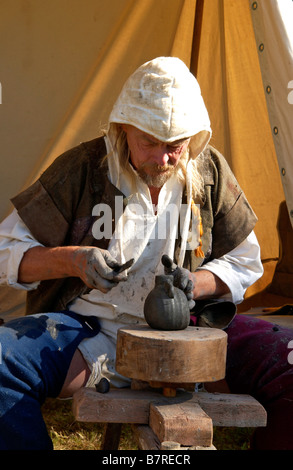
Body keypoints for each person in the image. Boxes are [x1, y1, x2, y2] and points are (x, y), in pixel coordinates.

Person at [0, 57, 292, 450]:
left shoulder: (209, 171)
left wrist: (197, 283)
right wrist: (74, 260)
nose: (162, 158)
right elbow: (5, 251)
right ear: (124, 128)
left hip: (191, 338)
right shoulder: (85, 168)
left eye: (175, 146)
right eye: (148, 142)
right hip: (94, 336)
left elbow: (245, 261)